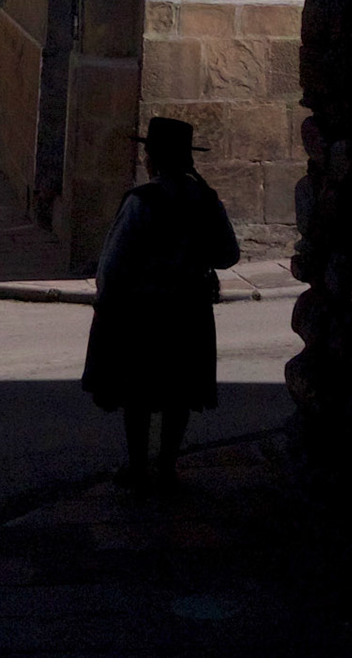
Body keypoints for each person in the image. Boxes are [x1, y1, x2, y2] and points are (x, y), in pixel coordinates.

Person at [81, 117, 242, 492]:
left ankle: (138, 467)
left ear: (152, 157)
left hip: (144, 312)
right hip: (189, 311)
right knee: (179, 392)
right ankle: (167, 466)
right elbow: (228, 254)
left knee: (137, 393)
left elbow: (113, 263)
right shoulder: (205, 199)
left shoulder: (141, 202)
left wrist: (106, 303)